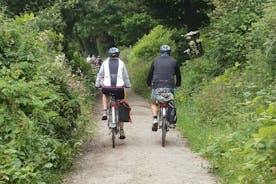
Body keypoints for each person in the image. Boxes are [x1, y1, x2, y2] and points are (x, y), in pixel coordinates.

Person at [95, 47, 131, 139]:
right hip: (119, 88)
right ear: (118, 54)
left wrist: (97, 84)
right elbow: (125, 76)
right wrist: (128, 85)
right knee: (122, 105)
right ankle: (122, 131)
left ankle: (104, 111)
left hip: (107, 87)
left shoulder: (105, 63)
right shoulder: (122, 63)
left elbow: (100, 75)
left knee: (104, 95)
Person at [146, 45, 181, 131]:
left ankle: (155, 119)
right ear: (170, 52)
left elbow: (150, 74)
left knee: (154, 103)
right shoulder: (174, 61)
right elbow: (178, 75)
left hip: (157, 85)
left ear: (160, 52)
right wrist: (177, 84)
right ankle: (171, 121)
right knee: (170, 102)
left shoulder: (155, 60)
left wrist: (149, 84)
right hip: (170, 86)